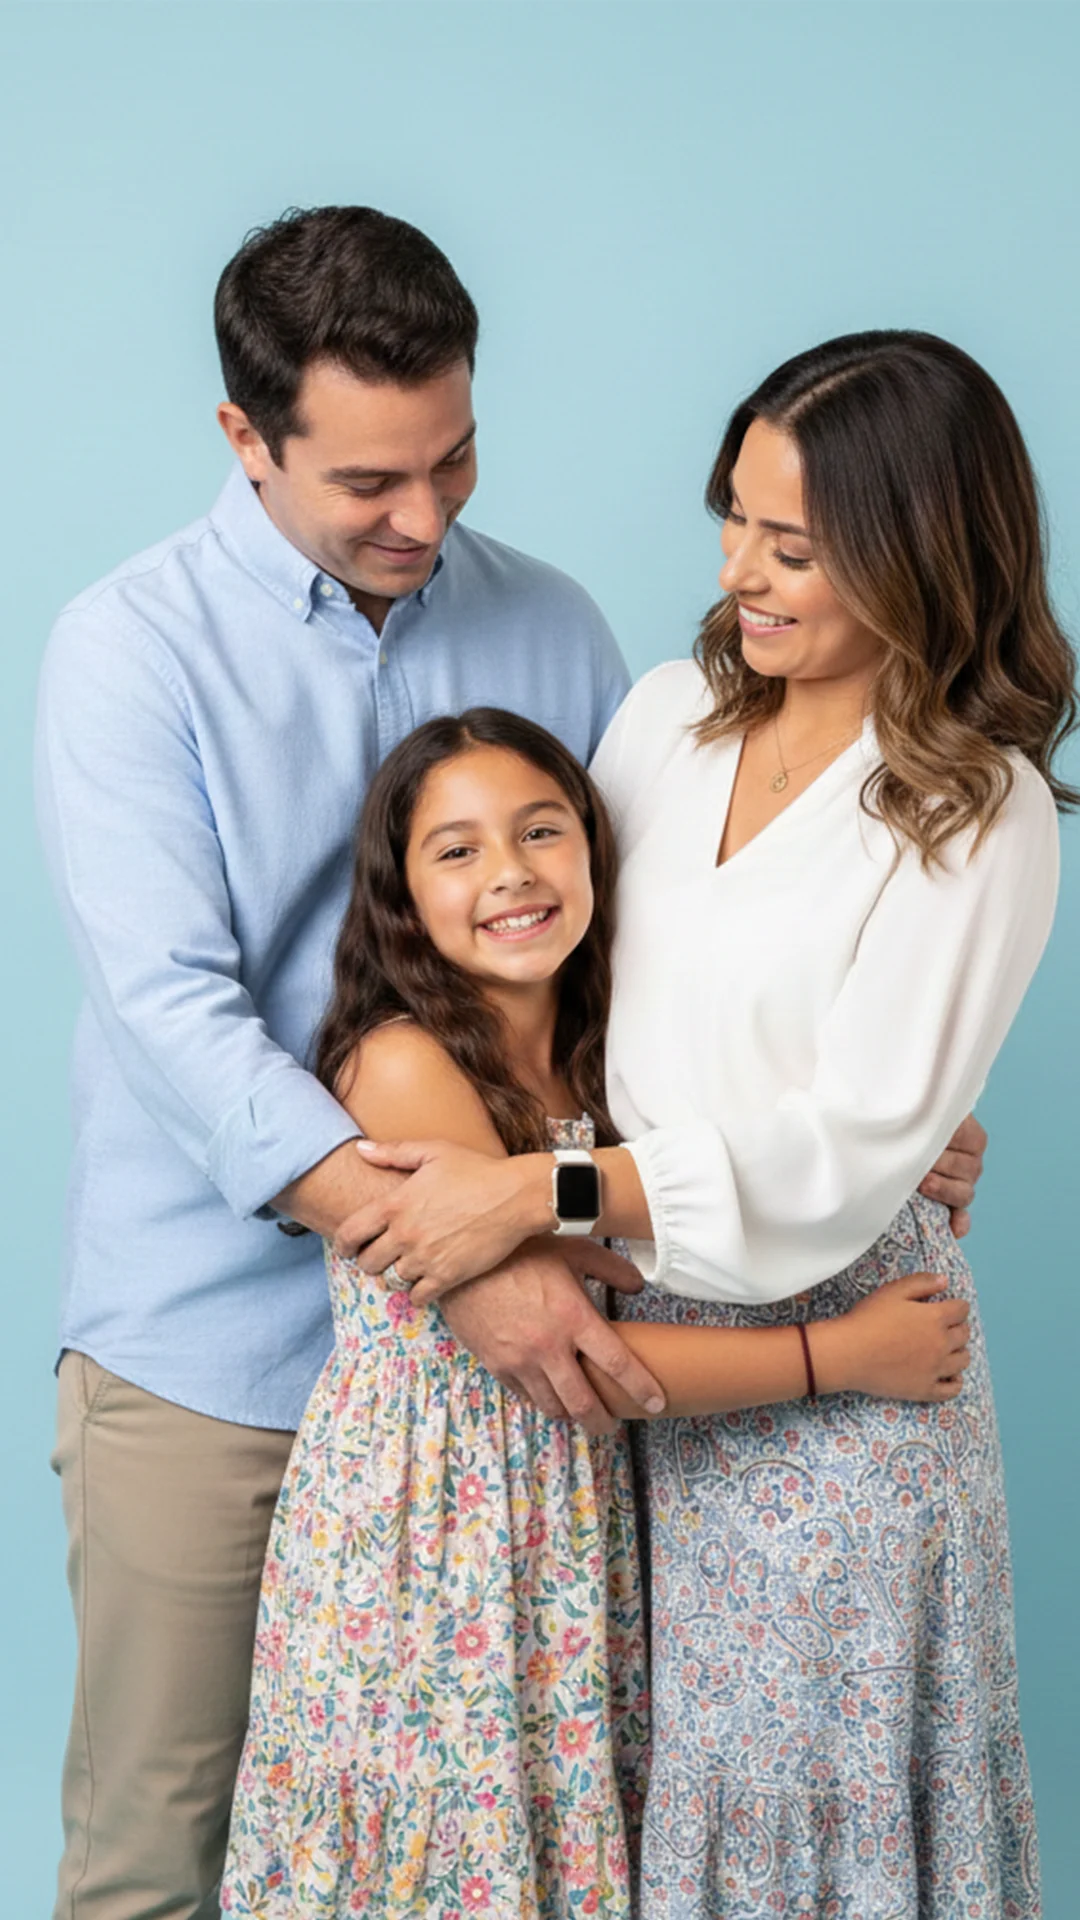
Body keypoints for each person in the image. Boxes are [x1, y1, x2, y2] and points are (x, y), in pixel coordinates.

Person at [331, 331, 1074, 1917]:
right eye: (733, 516)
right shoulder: (670, 717)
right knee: (665, 1812)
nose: (743, 569)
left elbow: (843, 1148)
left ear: (920, 548)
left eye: (794, 545)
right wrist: (520, 1166)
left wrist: (542, 1189)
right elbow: (570, 975)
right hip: (658, 1354)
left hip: (847, 1364)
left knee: (827, 1816)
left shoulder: (972, 802)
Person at [35, 204, 672, 1920]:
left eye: (455, 460)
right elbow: (174, 1007)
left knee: (510, 1854)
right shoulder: (128, 649)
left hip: (512, 1401)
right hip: (216, 1364)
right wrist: (450, 1257)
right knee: (163, 1851)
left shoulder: (553, 623)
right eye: (370, 484)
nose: (426, 518)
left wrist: (868, 1130)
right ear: (245, 439)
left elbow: (645, 950)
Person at [220, 708, 971, 1918]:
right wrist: (839, 1355)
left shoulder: (614, 1055)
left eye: (540, 832)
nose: (510, 873)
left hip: (571, 1524)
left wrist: (912, 1126)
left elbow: (771, 1124)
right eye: (455, 851)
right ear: (401, 895)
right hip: (432, 1532)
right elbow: (579, 1353)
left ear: (594, 849)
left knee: (558, 1845)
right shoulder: (403, 1065)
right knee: (439, 1850)